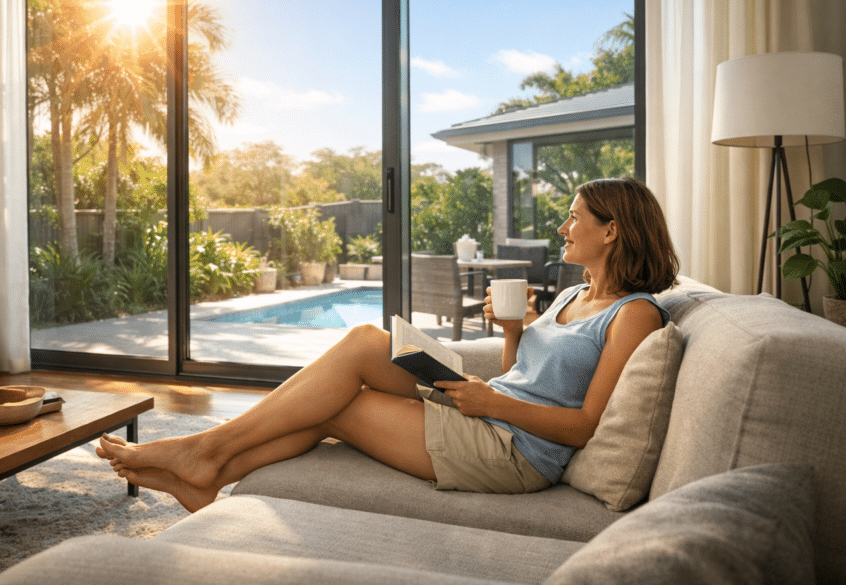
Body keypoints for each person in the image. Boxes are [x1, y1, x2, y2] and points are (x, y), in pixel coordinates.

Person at [97, 176, 680, 511]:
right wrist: (511, 334)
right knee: (365, 341)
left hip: (515, 453)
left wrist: (490, 403)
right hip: (488, 410)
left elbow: (583, 426)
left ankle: (205, 461)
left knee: (339, 404)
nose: (562, 227)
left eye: (574, 217)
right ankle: (204, 461)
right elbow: (525, 373)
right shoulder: (569, 294)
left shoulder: (635, 316)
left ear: (612, 230)